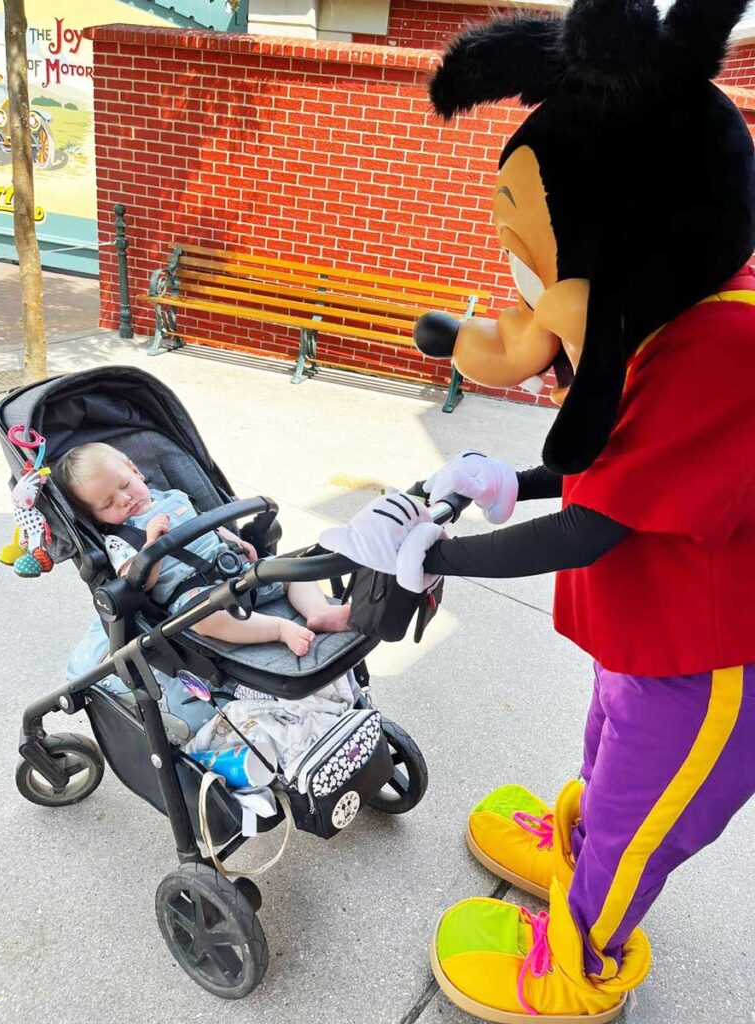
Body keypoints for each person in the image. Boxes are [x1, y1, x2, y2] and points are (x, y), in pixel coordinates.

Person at [320, 1, 755, 1020]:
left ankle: (580, 965)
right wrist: (515, 481)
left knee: (642, 813)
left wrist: (441, 555)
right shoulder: (674, 309)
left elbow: (596, 526)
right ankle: (575, 847)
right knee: (608, 751)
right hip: (654, 635)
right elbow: (619, 469)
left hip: (708, 662)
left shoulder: (722, 345)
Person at [56, 442, 350, 656]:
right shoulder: (118, 539)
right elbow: (136, 583)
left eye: (124, 485)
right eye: (107, 504)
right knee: (205, 621)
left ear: (136, 472)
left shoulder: (175, 496)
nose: (122, 500)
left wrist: (234, 540)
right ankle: (278, 628)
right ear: (95, 517)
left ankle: (319, 611)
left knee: (291, 569)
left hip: (236, 571)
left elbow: (208, 524)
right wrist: (150, 547)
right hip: (195, 596)